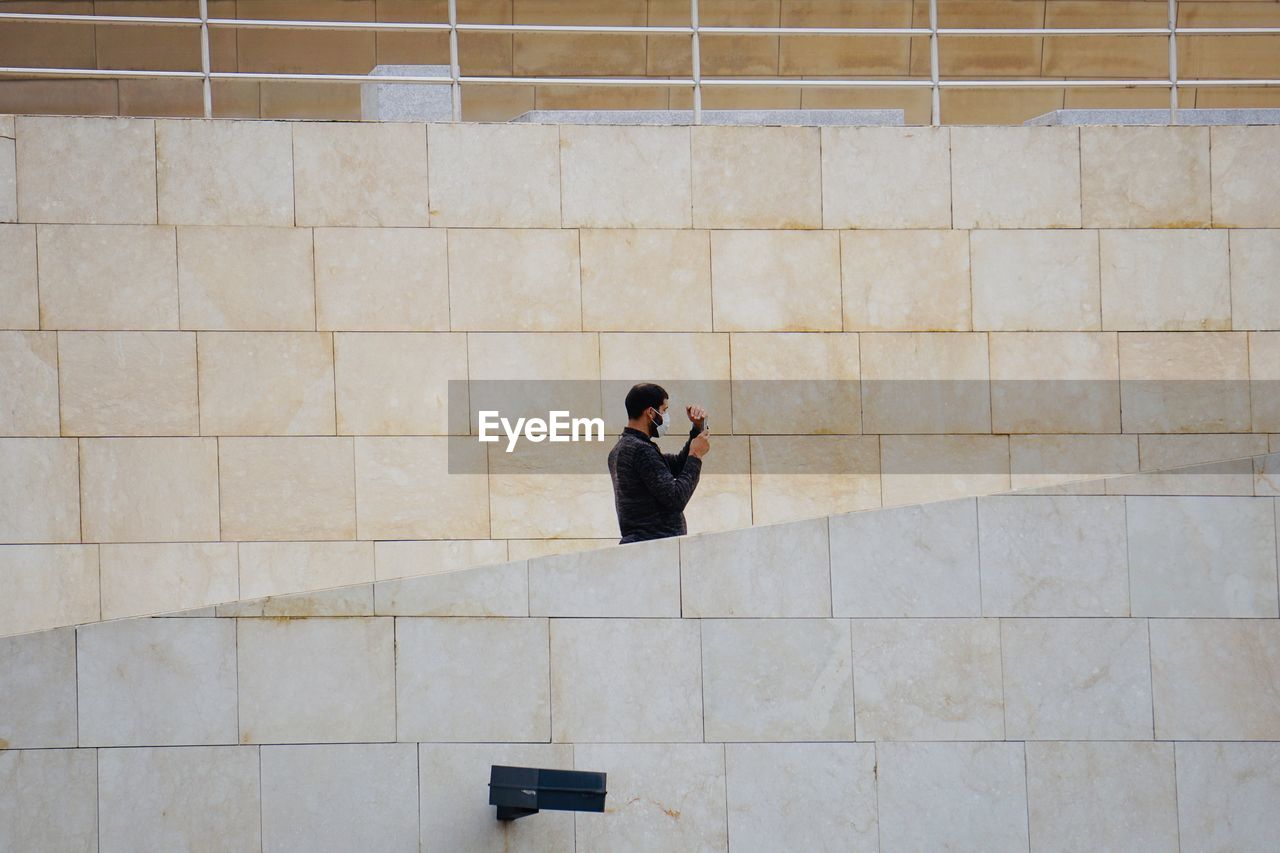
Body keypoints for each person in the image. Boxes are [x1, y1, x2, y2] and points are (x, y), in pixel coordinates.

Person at [607, 382, 711, 544]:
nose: (666, 417)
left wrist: (697, 429)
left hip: (647, 548)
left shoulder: (624, 448)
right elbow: (676, 499)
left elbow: (676, 466)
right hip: (656, 549)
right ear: (650, 412)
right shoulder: (640, 450)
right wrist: (695, 454)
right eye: (664, 411)